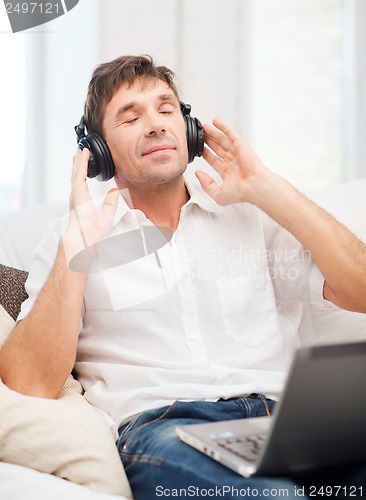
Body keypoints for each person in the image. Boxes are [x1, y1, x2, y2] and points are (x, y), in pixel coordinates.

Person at [0, 55, 365, 499]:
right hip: (166, 431)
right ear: (97, 150)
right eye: (131, 117)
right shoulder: (72, 236)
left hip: (284, 421)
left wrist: (267, 186)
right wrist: (76, 249)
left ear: (189, 130)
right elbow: (29, 383)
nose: (155, 125)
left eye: (166, 109)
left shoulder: (251, 214)